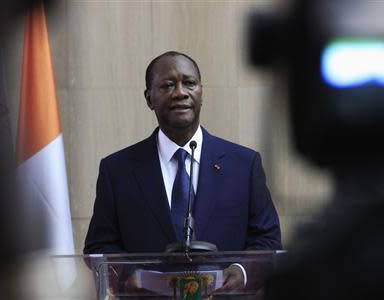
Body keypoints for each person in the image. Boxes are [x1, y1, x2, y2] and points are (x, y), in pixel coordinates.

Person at [84, 51, 282, 291]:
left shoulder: (244, 164)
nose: (180, 93)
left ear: (201, 93)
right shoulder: (117, 170)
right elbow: (99, 247)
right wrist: (131, 275)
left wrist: (241, 271)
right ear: (149, 98)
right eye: (168, 85)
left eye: (189, 83)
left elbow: (267, 240)